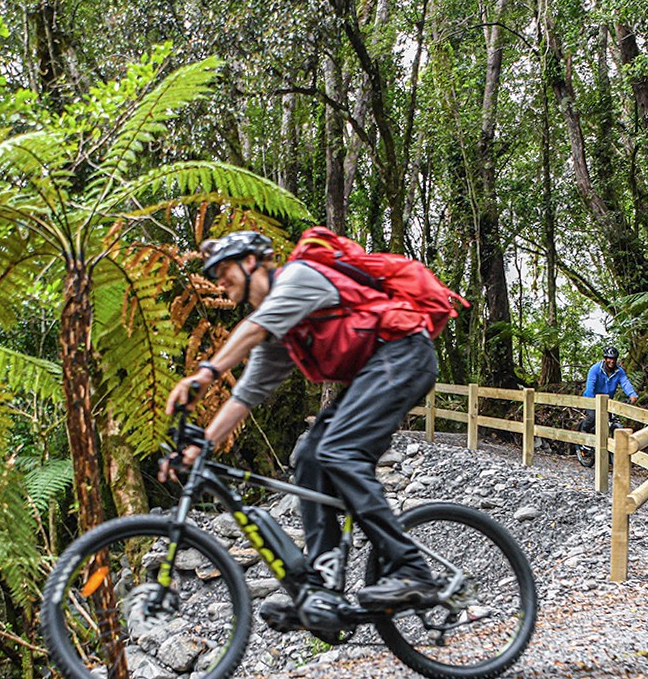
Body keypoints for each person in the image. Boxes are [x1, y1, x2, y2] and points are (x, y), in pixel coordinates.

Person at [161, 230, 439, 633]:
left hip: (405, 353)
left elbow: (253, 330)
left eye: (224, 270)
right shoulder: (280, 336)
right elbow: (244, 397)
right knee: (309, 456)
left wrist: (205, 373)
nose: (219, 281)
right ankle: (321, 587)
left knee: (340, 452)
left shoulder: (298, 279)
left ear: (252, 262)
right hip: (375, 371)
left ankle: (412, 569)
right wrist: (201, 445)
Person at [579, 344, 638, 443]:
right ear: (605, 359)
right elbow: (590, 387)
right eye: (609, 359)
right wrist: (593, 401)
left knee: (607, 421)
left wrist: (632, 395)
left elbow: (625, 383)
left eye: (614, 359)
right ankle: (583, 431)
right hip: (591, 399)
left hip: (607, 401)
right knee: (593, 417)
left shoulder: (619, 371)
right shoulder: (595, 369)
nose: (612, 361)